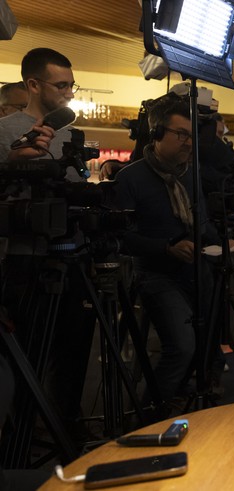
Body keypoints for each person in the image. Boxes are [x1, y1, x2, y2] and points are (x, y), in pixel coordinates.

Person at [0, 48, 95, 443]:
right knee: (26, 360)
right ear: (33, 85)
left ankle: (66, 430)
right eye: (61, 85)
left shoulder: (71, 135)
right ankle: (20, 440)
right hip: (23, 263)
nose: (69, 93)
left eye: (72, 85)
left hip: (72, 256)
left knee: (72, 357)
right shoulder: (5, 132)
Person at [113, 93, 223, 407]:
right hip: (157, 275)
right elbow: (121, 238)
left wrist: (222, 243)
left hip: (197, 271)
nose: (189, 143)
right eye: (181, 135)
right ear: (158, 134)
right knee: (183, 346)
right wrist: (167, 248)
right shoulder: (130, 178)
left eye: (192, 136)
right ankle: (150, 415)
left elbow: (201, 222)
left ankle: (184, 404)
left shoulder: (191, 175)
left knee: (205, 345)